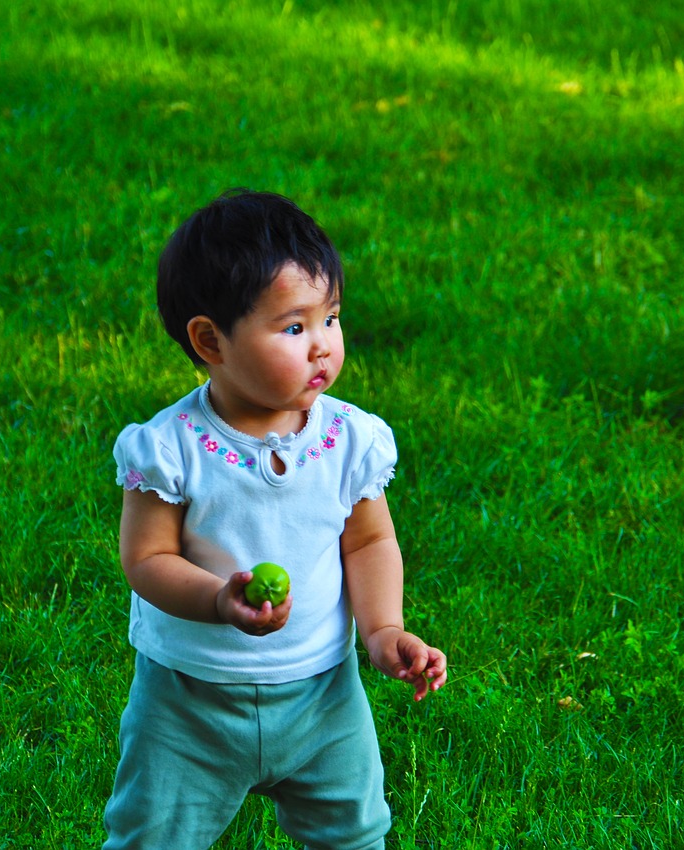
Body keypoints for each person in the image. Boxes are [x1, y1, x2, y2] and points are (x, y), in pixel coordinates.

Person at [101, 189, 447, 850]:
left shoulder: (349, 439)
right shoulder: (168, 450)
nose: (322, 346)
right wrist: (217, 599)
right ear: (210, 340)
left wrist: (383, 631)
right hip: (188, 704)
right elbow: (145, 560)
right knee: (152, 837)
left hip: (324, 698)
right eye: (294, 327)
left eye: (332, 319)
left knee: (356, 835)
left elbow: (371, 539)